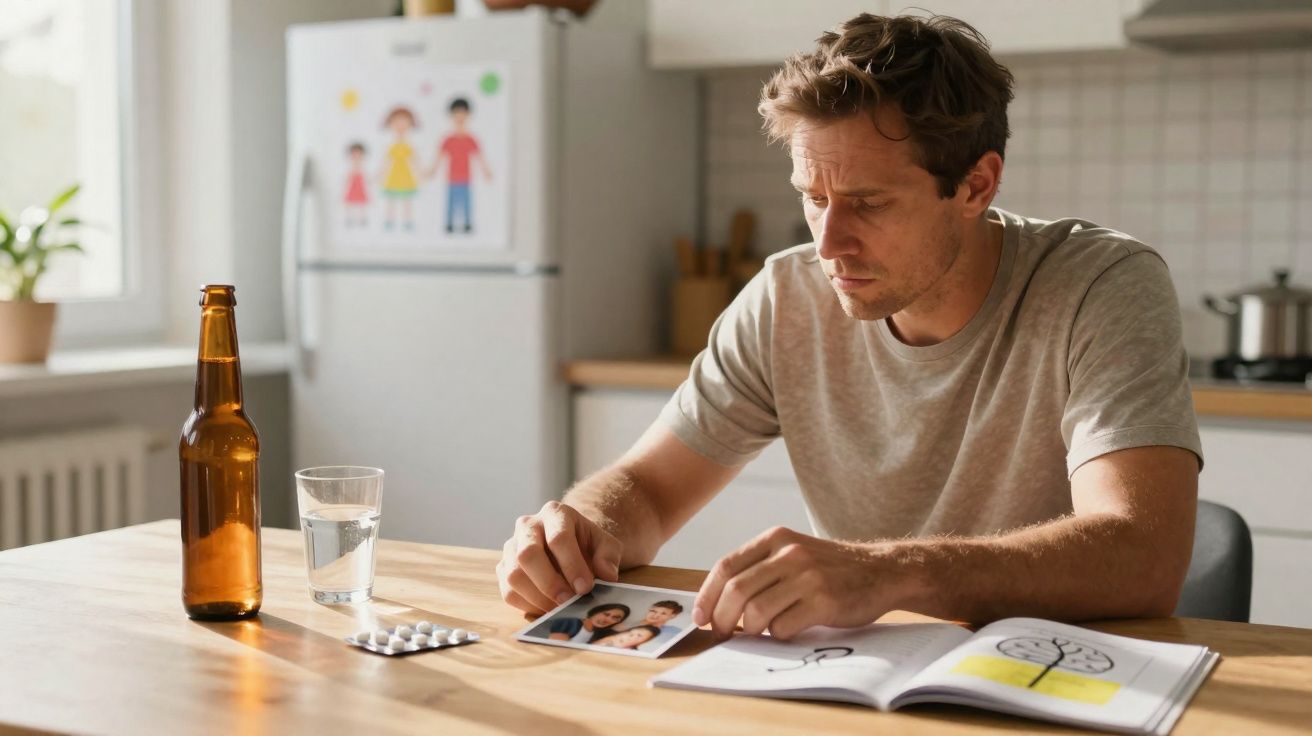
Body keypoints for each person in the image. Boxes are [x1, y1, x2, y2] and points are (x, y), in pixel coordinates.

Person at [496, 13, 1202, 641]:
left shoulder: (1101, 284)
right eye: (813, 197)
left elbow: (1142, 555)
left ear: (976, 186)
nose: (829, 243)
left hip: (1058, 681)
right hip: (861, 679)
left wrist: (891, 572)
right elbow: (646, 491)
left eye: (867, 202)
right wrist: (582, 530)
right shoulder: (785, 296)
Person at [426, 97, 492, 233]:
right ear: (451, 116)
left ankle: (467, 223)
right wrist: (432, 170)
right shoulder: (448, 139)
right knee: (451, 202)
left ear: (468, 115)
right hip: (451, 178)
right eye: (457, 113)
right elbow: (440, 157)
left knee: (466, 202)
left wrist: (486, 171)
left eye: (463, 113)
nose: (460, 117)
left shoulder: (471, 139)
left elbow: (479, 156)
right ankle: (449, 224)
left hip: (466, 178)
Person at [379, 106, 420, 230]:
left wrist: (422, 174)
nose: (400, 126)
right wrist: (380, 175)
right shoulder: (391, 147)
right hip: (394, 176)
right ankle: (390, 220)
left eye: (404, 122)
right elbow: (386, 163)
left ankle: (408, 221)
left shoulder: (409, 147)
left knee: (407, 200)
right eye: (397, 122)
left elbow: (415, 162)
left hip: (406, 176)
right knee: (391, 200)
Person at [533, 603, 630, 644]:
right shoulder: (569, 622)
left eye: (615, 618)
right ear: (596, 611)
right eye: (606, 614)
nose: (607, 619)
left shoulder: (597, 633)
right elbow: (555, 647)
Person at [592, 625, 661, 651]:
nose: (630, 636)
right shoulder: (607, 634)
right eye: (630, 633)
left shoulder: (631, 652)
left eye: (639, 635)